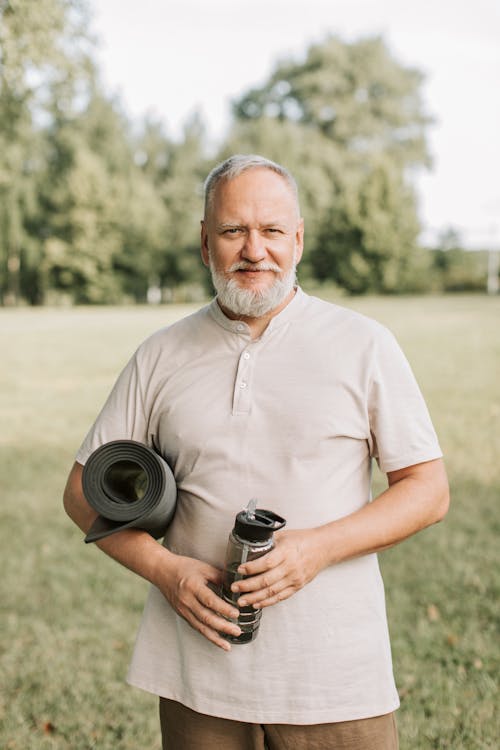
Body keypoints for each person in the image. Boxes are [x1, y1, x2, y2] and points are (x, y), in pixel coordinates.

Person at [63, 154, 450, 749]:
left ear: (298, 240)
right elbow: (80, 493)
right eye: (232, 230)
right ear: (204, 242)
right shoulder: (160, 354)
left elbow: (428, 490)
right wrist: (166, 571)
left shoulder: (364, 344)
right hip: (199, 678)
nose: (253, 249)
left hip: (333, 679)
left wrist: (316, 550)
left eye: (271, 230)